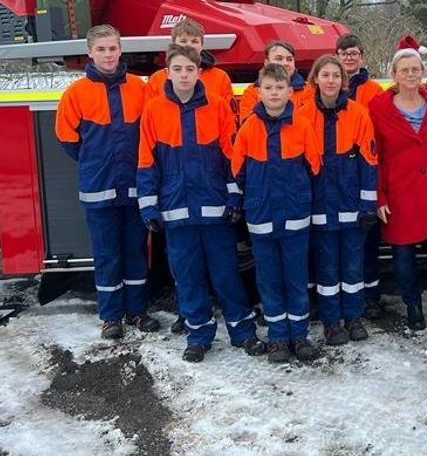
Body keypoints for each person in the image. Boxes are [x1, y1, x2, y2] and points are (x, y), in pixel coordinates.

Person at [137, 44, 265, 363]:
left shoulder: (219, 106)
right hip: (176, 210)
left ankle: (243, 331)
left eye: (189, 69)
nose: (184, 75)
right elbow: (146, 161)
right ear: (167, 72)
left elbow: (231, 157)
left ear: (199, 72)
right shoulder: (154, 109)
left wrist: (235, 195)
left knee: (226, 275)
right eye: (177, 69)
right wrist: (149, 206)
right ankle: (198, 334)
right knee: (188, 276)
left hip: (215, 209)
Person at [55, 25, 160, 340]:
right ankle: (111, 316)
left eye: (112, 48)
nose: (108, 55)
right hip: (98, 188)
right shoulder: (76, 93)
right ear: (90, 53)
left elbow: (150, 133)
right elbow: (67, 139)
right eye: (101, 49)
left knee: (136, 252)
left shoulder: (139, 89)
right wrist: (95, 162)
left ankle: (138, 312)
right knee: (106, 254)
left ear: (120, 50)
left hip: (134, 187)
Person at [367, 36, 427, 337]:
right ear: (394, 74)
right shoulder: (379, 107)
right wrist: (380, 195)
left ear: (422, 71)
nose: (411, 75)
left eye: (416, 69)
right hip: (400, 193)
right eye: (404, 70)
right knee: (403, 256)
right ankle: (413, 306)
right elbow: (377, 156)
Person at [233, 63, 323, 363]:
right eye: (268, 88)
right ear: (259, 91)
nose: (274, 93)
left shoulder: (302, 125)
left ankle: (298, 334)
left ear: (289, 91)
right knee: (269, 279)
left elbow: (314, 167)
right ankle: (277, 337)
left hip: (295, 216)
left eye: (279, 88)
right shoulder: (248, 128)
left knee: (296, 277)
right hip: (261, 217)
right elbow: (238, 172)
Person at [298, 55, 379, 345]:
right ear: (315, 80)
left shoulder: (358, 113)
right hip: (319, 205)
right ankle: (332, 322)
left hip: (350, 204)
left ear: (344, 82)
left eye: (336, 76)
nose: (330, 80)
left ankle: (354, 317)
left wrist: (368, 203)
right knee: (327, 266)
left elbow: (369, 161)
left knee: (353, 265)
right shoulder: (303, 115)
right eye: (325, 75)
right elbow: (299, 166)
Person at [334, 33, 387, 319]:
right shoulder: (325, 86)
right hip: (338, 173)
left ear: (362, 56)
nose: (349, 57)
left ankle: (371, 297)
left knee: (367, 240)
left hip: (366, 168)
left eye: (354, 53)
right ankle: (341, 295)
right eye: (344, 53)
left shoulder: (374, 90)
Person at [143, 17, 235, 108]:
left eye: (194, 41)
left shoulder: (220, 78)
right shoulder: (156, 79)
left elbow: (228, 118)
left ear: (202, 46)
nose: (189, 45)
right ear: (174, 45)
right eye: (183, 41)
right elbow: (148, 118)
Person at [239, 40, 313, 122]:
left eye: (289, 59)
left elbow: (311, 124)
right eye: (279, 59)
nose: (285, 63)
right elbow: (248, 126)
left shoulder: (309, 90)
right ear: (266, 62)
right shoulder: (252, 92)